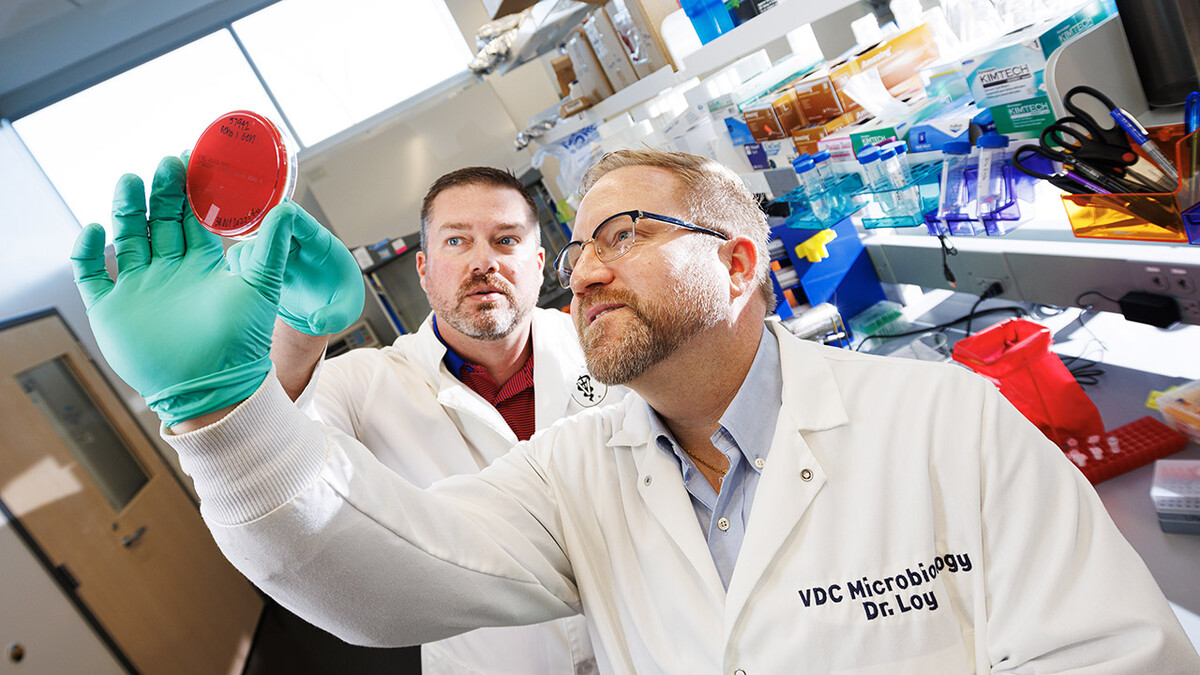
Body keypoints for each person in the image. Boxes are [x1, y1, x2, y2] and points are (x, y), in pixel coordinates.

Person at [73, 150, 1200, 673]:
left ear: (745, 262)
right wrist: (225, 413)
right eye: (581, 247)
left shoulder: (941, 422)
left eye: (629, 233)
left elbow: (1116, 658)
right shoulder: (578, 468)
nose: (587, 269)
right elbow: (381, 572)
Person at [265, 166, 619, 674]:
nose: (483, 261)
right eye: (457, 241)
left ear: (539, 264)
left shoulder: (605, 348)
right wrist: (300, 330)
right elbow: (273, 441)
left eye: (505, 239)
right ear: (424, 270)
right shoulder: (369, 384)